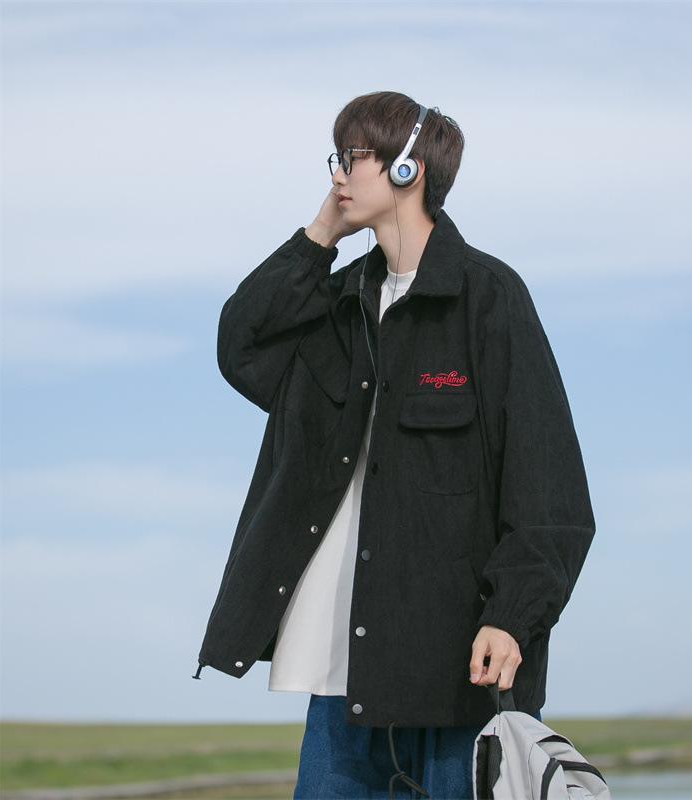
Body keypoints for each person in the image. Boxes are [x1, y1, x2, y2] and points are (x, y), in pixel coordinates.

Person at [194, 90, 595, 800]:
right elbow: (241, 345)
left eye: (353, 157)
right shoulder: (337, 305)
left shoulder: (489, 299)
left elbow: (550, 493)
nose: (338, 174)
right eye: (336, 157)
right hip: (341, 682)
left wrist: (512, 616)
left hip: (456, 681)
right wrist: (323, 231)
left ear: (409, 169)